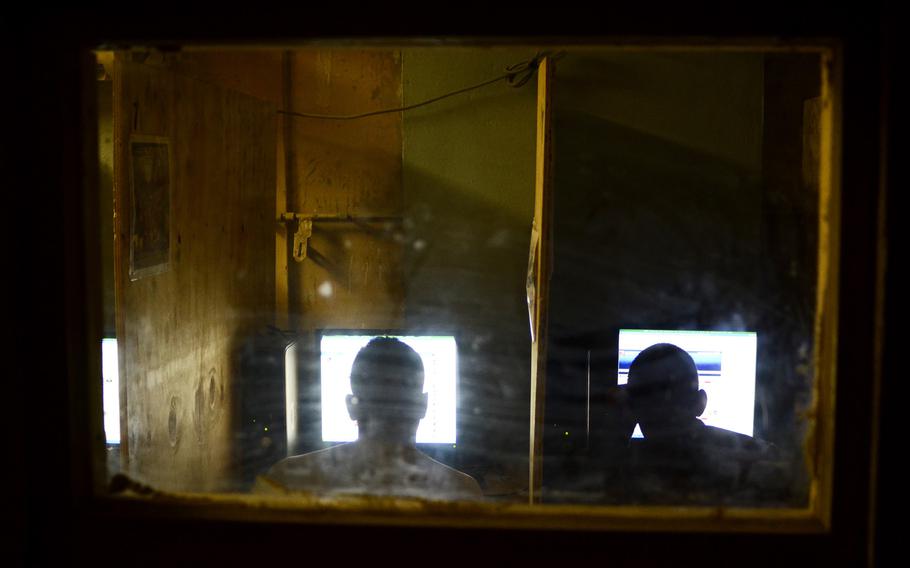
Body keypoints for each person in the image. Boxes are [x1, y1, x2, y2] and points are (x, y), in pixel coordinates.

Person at [260, 337, 483, 501]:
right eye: (383, 396)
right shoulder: (459, 492)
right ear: (423, 405)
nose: (391, 407)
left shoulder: (291, 479)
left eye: (398, 395)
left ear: (351, 406)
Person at [624, 343, 783, 505]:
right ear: (700, 402)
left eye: (669, 397)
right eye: (650, 399)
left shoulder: (624, 469)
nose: (660, 410)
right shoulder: (752, 457)